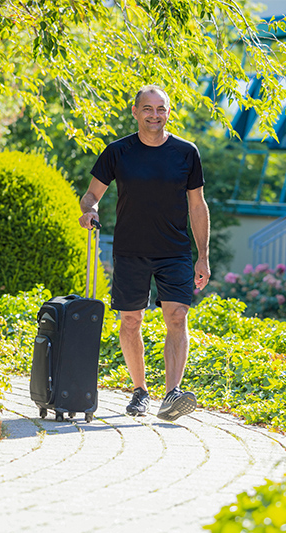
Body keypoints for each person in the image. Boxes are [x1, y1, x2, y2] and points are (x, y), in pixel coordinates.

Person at [77, 84, 210, 422]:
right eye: (148, 109)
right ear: (135, 112)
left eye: (161, 109)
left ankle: (171, 395)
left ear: (169, 112)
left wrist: (203, 255)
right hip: (131, 250)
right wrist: (90, 210)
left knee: (177, 316)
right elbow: (91, 195)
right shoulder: (117, 152)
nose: (155, 115)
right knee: (130, 320)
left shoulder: (186, 152)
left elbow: (197, 205)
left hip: (175, 251)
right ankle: (140, 391)